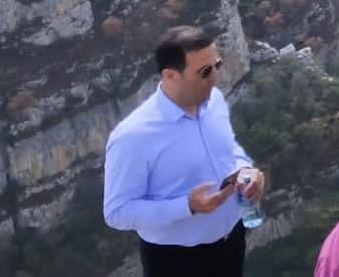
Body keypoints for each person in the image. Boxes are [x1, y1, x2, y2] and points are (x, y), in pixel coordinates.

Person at [103, 25, 265, 277]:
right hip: (176, 261)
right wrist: (187, 206)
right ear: (170, 76)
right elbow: (117, 212)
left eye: (217, 65)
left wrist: (245, 170)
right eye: (205, 71)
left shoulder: (214, 101)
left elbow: (228, 151)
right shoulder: (133, 136)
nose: (215, 77)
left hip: (231, 242)